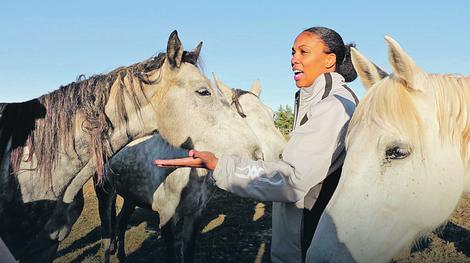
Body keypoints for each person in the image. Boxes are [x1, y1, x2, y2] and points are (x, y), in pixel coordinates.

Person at [155, 26, 359, 263]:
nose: (294, 60)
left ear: (329, 60)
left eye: (304, 52)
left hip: (309, 245)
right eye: (293, 52)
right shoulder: (322, 100)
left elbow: (292, 181)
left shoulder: (332, 106)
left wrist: (219, 166)